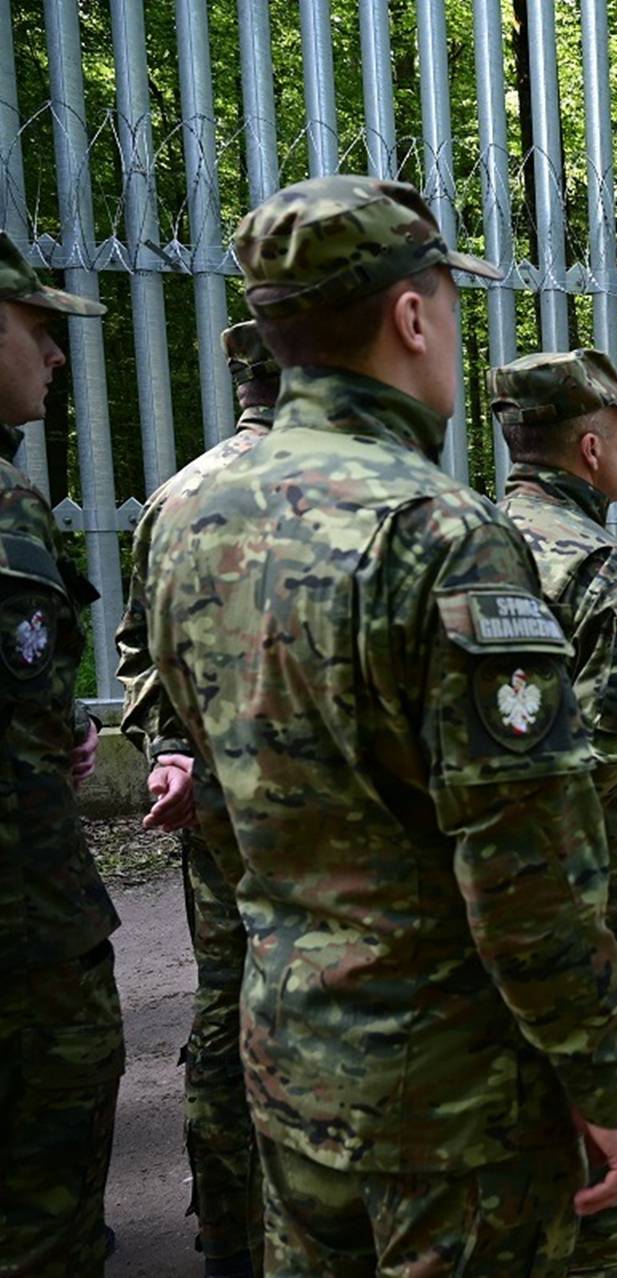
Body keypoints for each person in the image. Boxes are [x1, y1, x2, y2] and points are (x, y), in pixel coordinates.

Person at [144, 175, 617, 1274]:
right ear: (410, 316)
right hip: (449, 1101)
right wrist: (602, 1079)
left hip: (287, 1059)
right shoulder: (437, 531)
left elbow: (217, 790)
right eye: (450, 307)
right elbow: (522, 856)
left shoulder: (187, 514)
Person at [490, 349, 617, 1278]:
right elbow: (596, 769)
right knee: (613, 1127)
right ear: (591, 447)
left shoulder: (465, 542)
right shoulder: (599, 567)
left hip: (488, 900)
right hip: (596, 904)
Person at [115, 321, 279, 1277]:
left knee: (227, 1008)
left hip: (216, 810)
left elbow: (140, 646)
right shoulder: (352, 491)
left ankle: (227, 1234)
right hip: (332, 820)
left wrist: (169, 748)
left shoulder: (177, 498)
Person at [0, 231, 122, 1276]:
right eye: (40, 331)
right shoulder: (5, 513)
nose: (54, 358)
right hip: (22, 919)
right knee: (47, 1145)